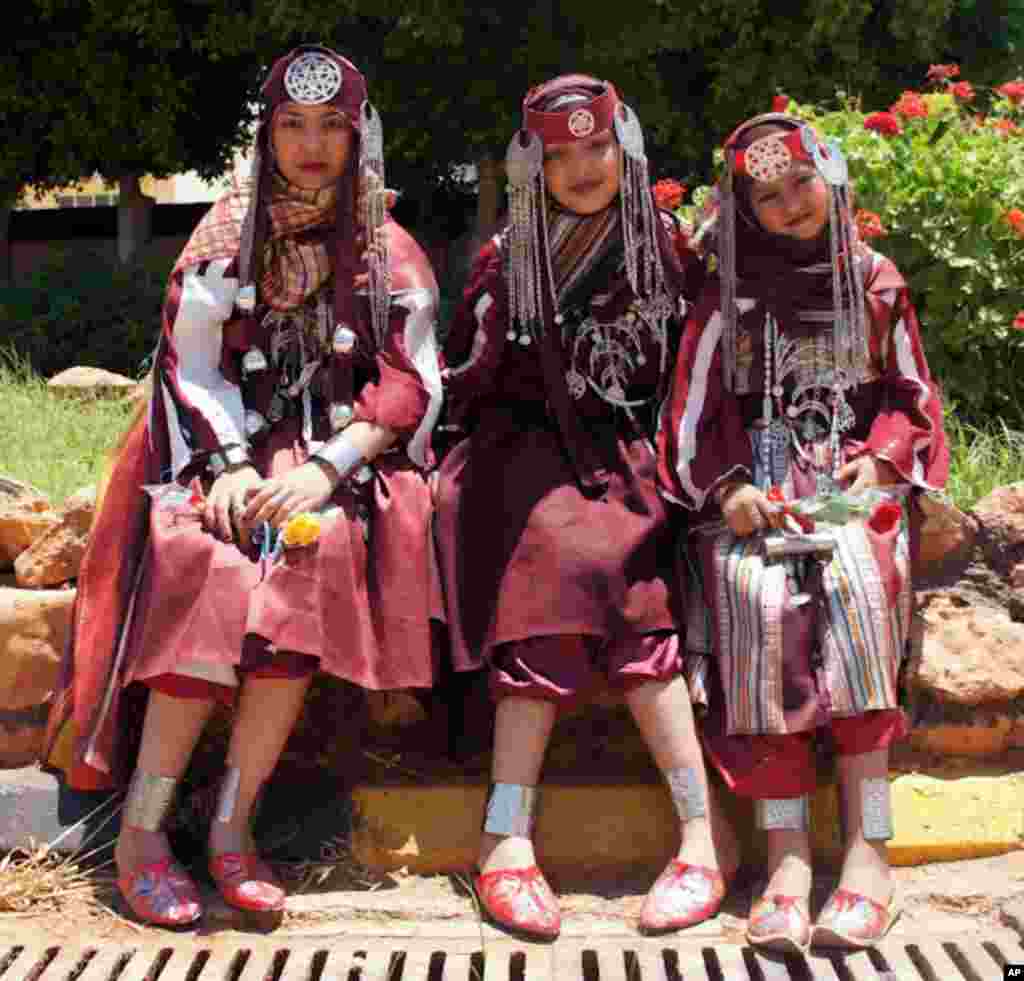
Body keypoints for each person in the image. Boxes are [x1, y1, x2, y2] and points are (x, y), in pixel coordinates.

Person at [43, 45, 442, 928]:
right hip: (211, 450)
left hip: (331, 458)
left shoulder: (389, 247)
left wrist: (320, 469)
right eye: (291, 127)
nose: (310, 146)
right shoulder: (223, 234)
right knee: (203, 558)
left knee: (315, 550)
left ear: (357, 138)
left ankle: (232, 826)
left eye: (330, 128)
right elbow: (188, 367)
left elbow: (414, 382)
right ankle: (142, 833)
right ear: (267, 137)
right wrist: (226, 468)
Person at [434, 74, 735, 940]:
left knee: (641, 609)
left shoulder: (668, 249)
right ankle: (506, 842)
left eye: (597, 146)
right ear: (534, 164)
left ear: (624, 148)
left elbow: (699, 370)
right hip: (521, 459)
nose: (582, 167)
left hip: (632, 455)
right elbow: (467, 376)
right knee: (556, 583)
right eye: (559, 154)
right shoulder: (507, 256)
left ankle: (700, 839)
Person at [656, 113, 948, 952]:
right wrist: (733, 487)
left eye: (801, 184)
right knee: (755, 598)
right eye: (768, 194)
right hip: (757, 499)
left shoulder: (874, 280)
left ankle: (870, 848)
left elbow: (911, 397)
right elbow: (690, 417)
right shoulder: (724, 298)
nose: (790, 205)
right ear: (743, 207)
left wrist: (885, 462)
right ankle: (785, 854)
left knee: (859, 582)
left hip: (849, 491)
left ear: (832, 177)